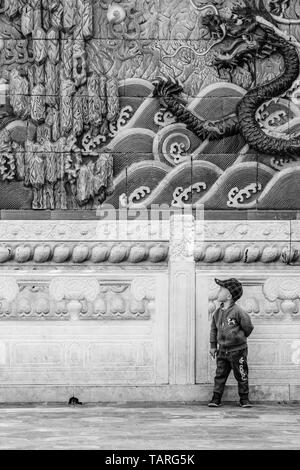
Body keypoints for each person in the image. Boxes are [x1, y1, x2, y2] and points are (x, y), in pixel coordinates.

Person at [208, 278, 254, 408]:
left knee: (241, 374)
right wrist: (213, 346)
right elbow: (213, 329)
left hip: (238, 351)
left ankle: (244, 398)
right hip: (222, 350)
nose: (218, 291)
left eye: (221, 289)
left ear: (229, 296)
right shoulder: (217, 313)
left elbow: (248, 326)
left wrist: (239, 338)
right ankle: (216, 398)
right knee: (220, 374)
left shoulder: (238, 311)